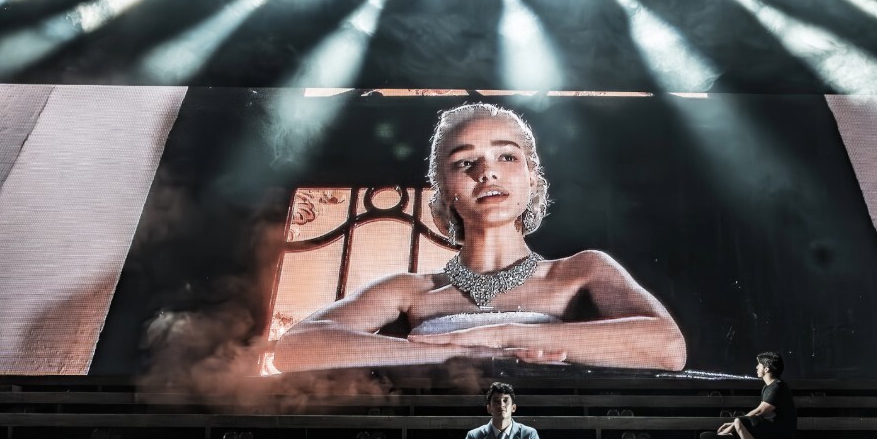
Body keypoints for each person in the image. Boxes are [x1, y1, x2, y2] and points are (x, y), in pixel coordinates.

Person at [272, 103, 686, 373]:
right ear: (446, 188)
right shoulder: (410, 290)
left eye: (507, 156)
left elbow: (666, 346)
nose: (486, 172)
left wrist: (503, 334)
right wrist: (452, 353)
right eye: (465, 161)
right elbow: (297, 348)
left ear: (531, 178)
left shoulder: (581, 270)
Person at [700, 352, 796, 439]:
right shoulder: (768, 387)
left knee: (740, 422)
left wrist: (734, 424)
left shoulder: (777, 386)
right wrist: (735, 423)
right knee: (742, 424)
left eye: (759, 365)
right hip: (774, 427)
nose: (756, 367)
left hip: (783, 432)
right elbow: (761, 415)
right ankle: (730, 437)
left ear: (766, 369)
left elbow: (761, 410)